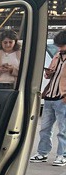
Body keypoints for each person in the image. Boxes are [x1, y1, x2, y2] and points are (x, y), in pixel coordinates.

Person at [30, 29, 66, 166]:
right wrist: (49, 73)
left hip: (62, 97)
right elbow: (48, 75)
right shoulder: (57, 56)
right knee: (45, 127)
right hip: (50, 96)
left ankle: (62, 155)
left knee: (63, 130)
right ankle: (42, 152)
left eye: (62, 45)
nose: (59, 48)